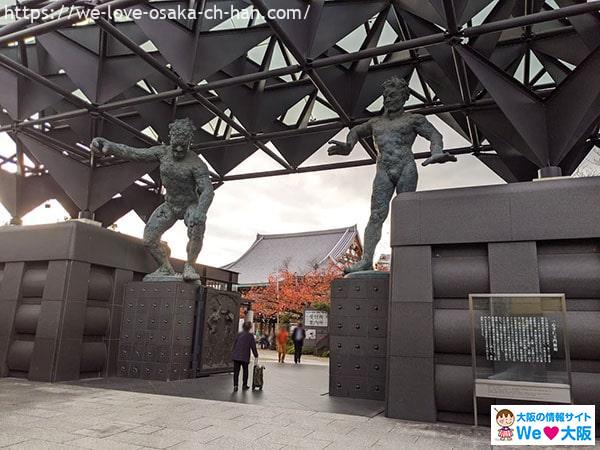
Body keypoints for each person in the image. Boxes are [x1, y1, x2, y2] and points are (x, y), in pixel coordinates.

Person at [327, 77, 456, 274]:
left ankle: (405, 258)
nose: (388, 99)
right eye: (386, 96)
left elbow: (434, 135)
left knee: (405, 213)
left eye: (393, 95)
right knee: (376, 215)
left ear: (404, 97)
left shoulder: (413, 119)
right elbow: (355, 130)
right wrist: (348, 146)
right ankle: (366, 260)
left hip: (405, 167)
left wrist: (436, 151)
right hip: (383, 170)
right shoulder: (375, 122)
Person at [92, 118, 213, 281]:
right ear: (171, 140)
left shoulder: (196, 163)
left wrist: (201, 211)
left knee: (197, 227)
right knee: (149, 238)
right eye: (175, 144)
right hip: (170, 205)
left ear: (189, 143)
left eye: (182, 146)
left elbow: (207, 189)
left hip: (189, 205)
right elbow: (134, 153)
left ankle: (190, 266)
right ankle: (165, 267)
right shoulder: (162, 152)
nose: (178, 149)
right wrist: (110, 146)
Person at [231, 321, 258, 391]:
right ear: (250, 328)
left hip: (236, 356)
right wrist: (256, 355)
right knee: (245, 371)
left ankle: (235, 385)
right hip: (245, 356)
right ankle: (244, 385)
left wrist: (233, 353)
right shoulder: (250, 336)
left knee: (236, 371)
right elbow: (253, 346)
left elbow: (234, 344)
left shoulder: (239, 334)